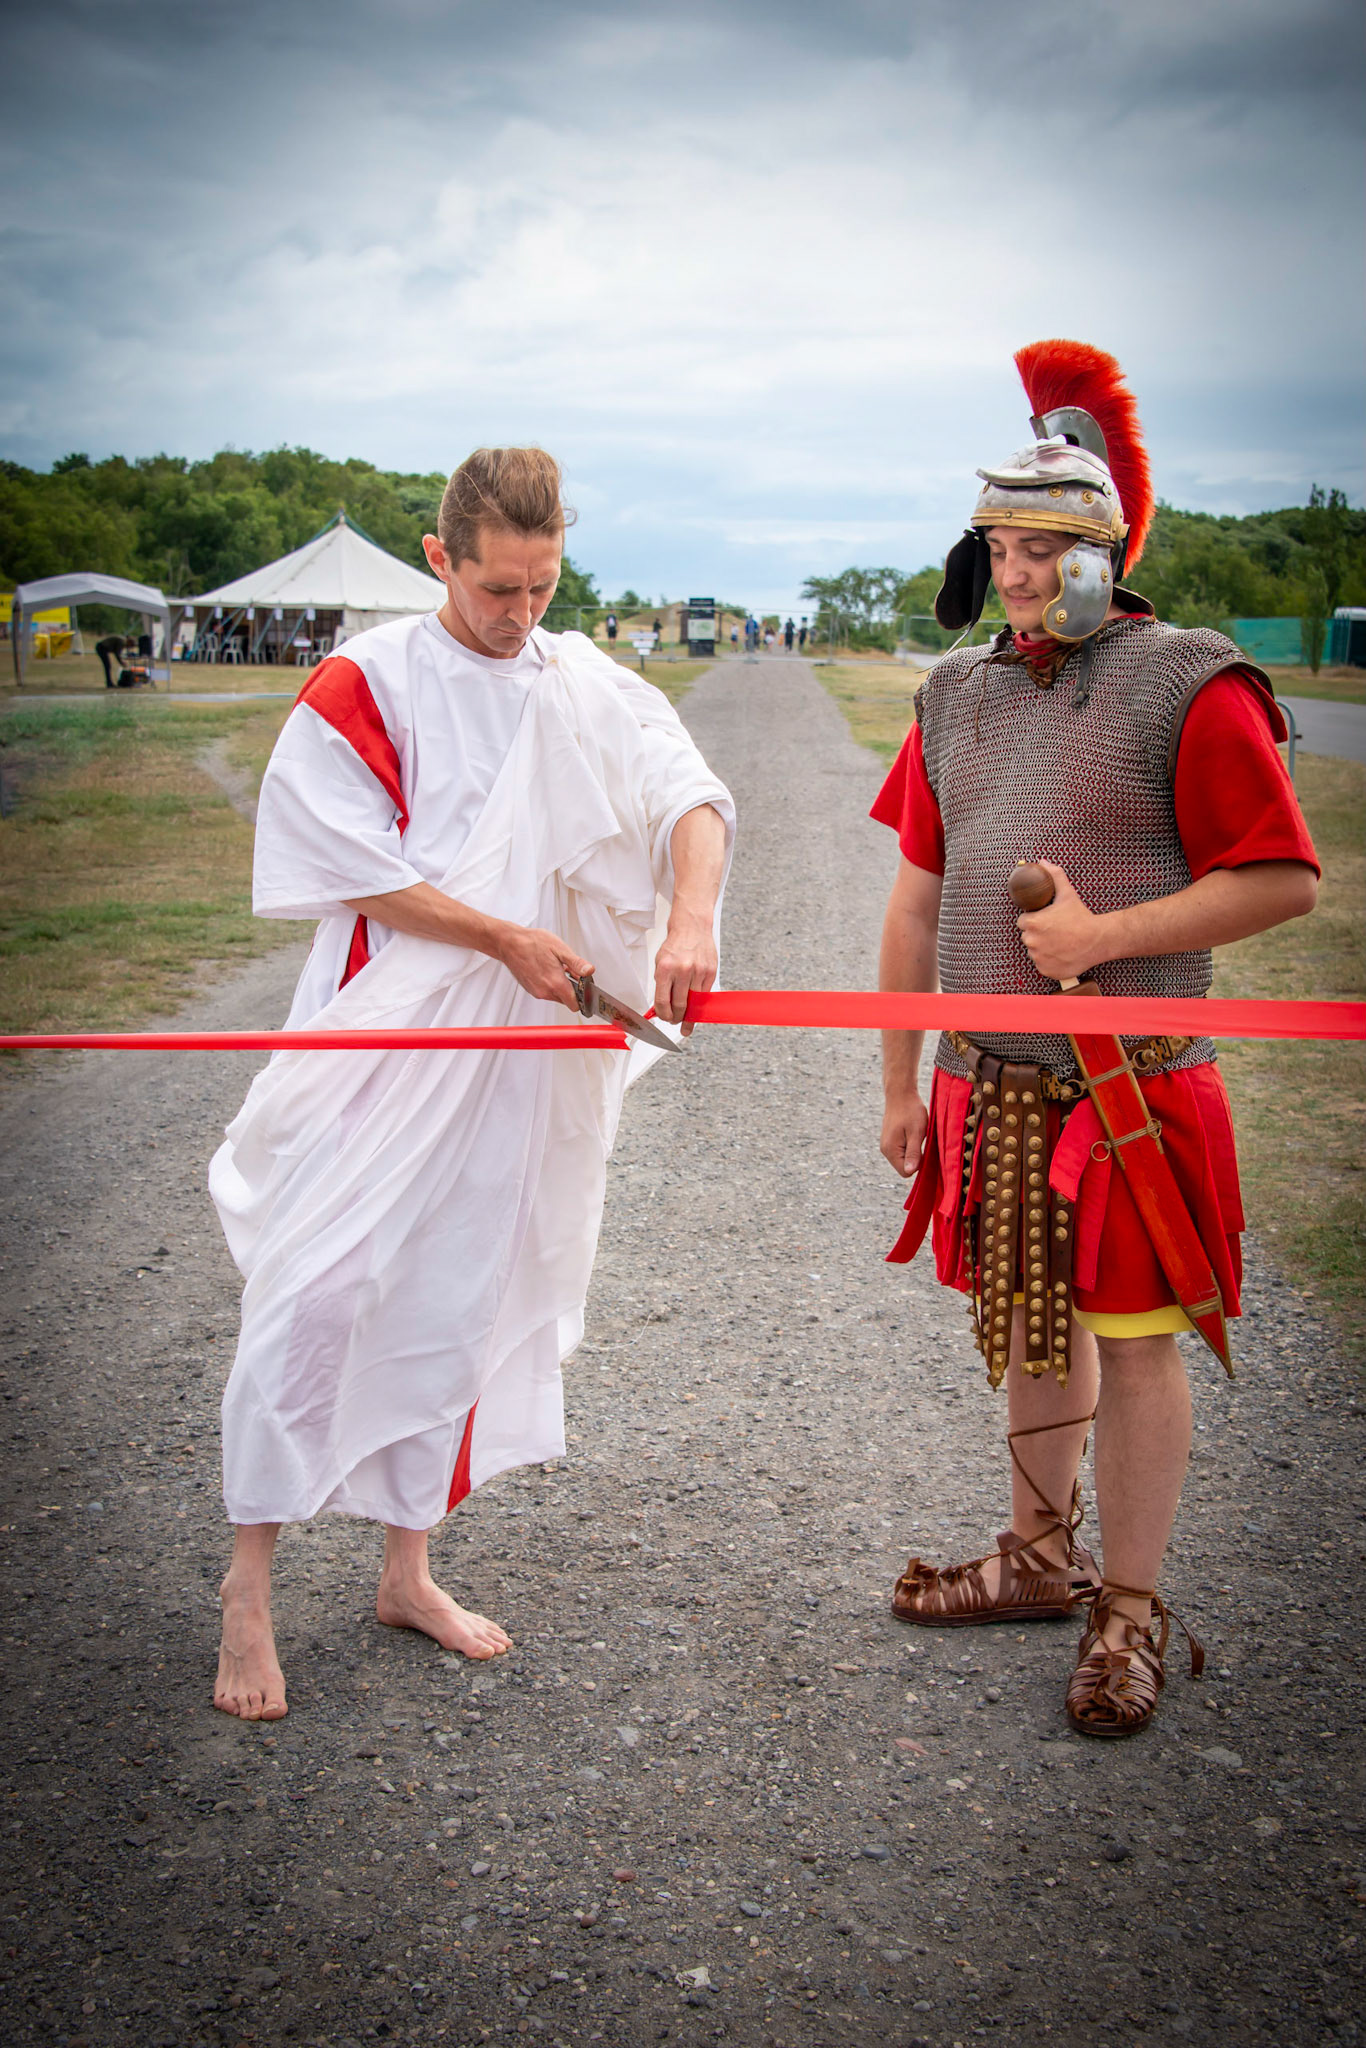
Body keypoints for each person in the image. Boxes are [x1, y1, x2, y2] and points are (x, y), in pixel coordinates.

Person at [209, 446, 734, 1721]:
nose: (521, 614)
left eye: (543, 586)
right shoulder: (368, 681)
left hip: (520, 1046)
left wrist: (689, 918)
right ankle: (247, 1591)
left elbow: (688, 790)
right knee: (318, 1285)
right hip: (387, 1027)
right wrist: (501, 934)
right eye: (499, 587)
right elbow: (345, 862)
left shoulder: (577, 674)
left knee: (464, 1286)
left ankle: (407, 1569)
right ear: (441, 559)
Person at [871, 342, 1318, 1738]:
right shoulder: (957, 694)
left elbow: (1283, 877)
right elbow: (915, 898)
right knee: (1031, 1331)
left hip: (1131, 1089)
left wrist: (1102, 942)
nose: (1009, 573)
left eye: (1037, 546)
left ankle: (1125, 1612)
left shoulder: (1191, 681)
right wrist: (900, 1076)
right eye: (995, 545)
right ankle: (1037, 1560)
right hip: (986, 1086)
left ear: (1097, 547)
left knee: (1131, 1342)